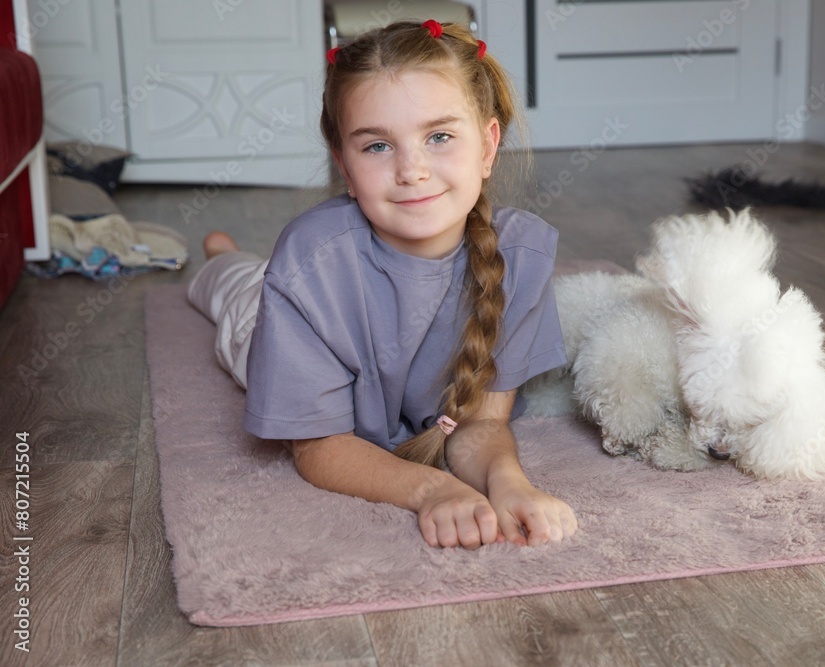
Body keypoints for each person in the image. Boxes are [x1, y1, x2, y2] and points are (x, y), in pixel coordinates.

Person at [186, 20, 578, 550]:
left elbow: (482, 425)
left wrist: (509, 482)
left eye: (439, 137)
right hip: (267, 314)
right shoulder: (309, 266)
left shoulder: (521, 257)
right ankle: (221, 256)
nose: (411, 170)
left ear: (488, 147)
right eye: (376, 146)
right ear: (344, 168)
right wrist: (431, 490)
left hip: (308, 277)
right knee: (235, 290)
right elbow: (319, 447)